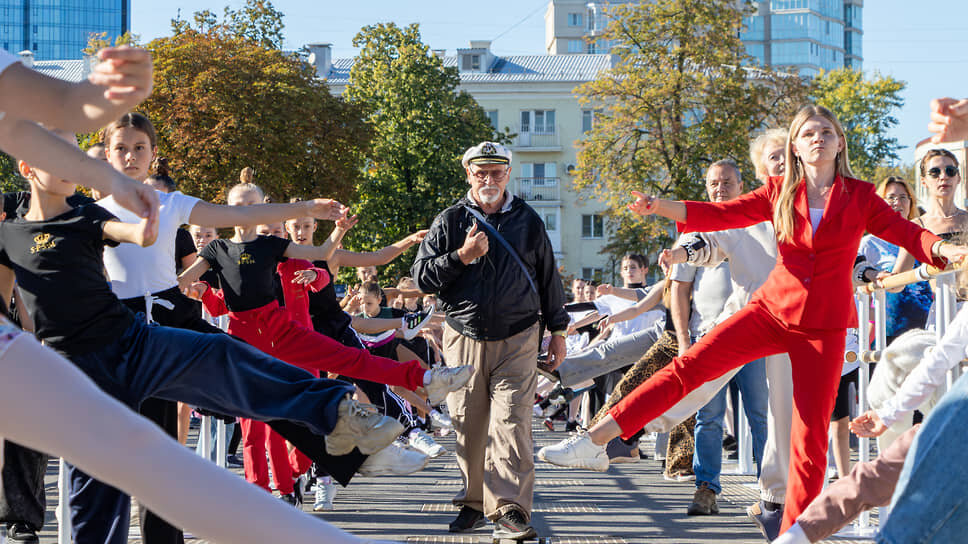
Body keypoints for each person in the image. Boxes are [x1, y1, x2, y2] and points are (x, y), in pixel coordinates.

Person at [0, 45, 396, 544]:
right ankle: (29, 519)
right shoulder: (42, 223)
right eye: (119, 148)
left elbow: (184, 228)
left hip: (146, 331)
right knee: (103, 480)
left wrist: (147, 209)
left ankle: (339, 418)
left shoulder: (117, 210)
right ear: (27, 167)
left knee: (220, 370)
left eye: (139, 149)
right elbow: (14, 307)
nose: (128, 157)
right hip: (85, 353)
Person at [533, 105, 968, 536]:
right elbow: (722, 215)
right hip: (771, 311)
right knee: (691, 365)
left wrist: (946, 251)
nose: (818, 138)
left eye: (826, 131)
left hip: (824, 328)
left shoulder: (859, 196)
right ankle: (594, 441)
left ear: (839, 142)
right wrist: (658, 206)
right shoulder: (780, 191)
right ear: (796, 146)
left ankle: (796, 534)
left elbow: (909, 233)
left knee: (809, 440)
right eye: (808, 133)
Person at [412, 141, 569, 540]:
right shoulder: (449, 221)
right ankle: (474, 502)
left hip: (519, 337)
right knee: (469, 424)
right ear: (468, 174)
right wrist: (461, 256)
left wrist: (559, 330)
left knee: (512, 422)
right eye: (480, 172)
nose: (488, 179)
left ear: (508, 175)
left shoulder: (527, 220)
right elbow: (422, 278)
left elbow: (549, 277)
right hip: (463, 336)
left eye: (496, 172)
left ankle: (510, 509)